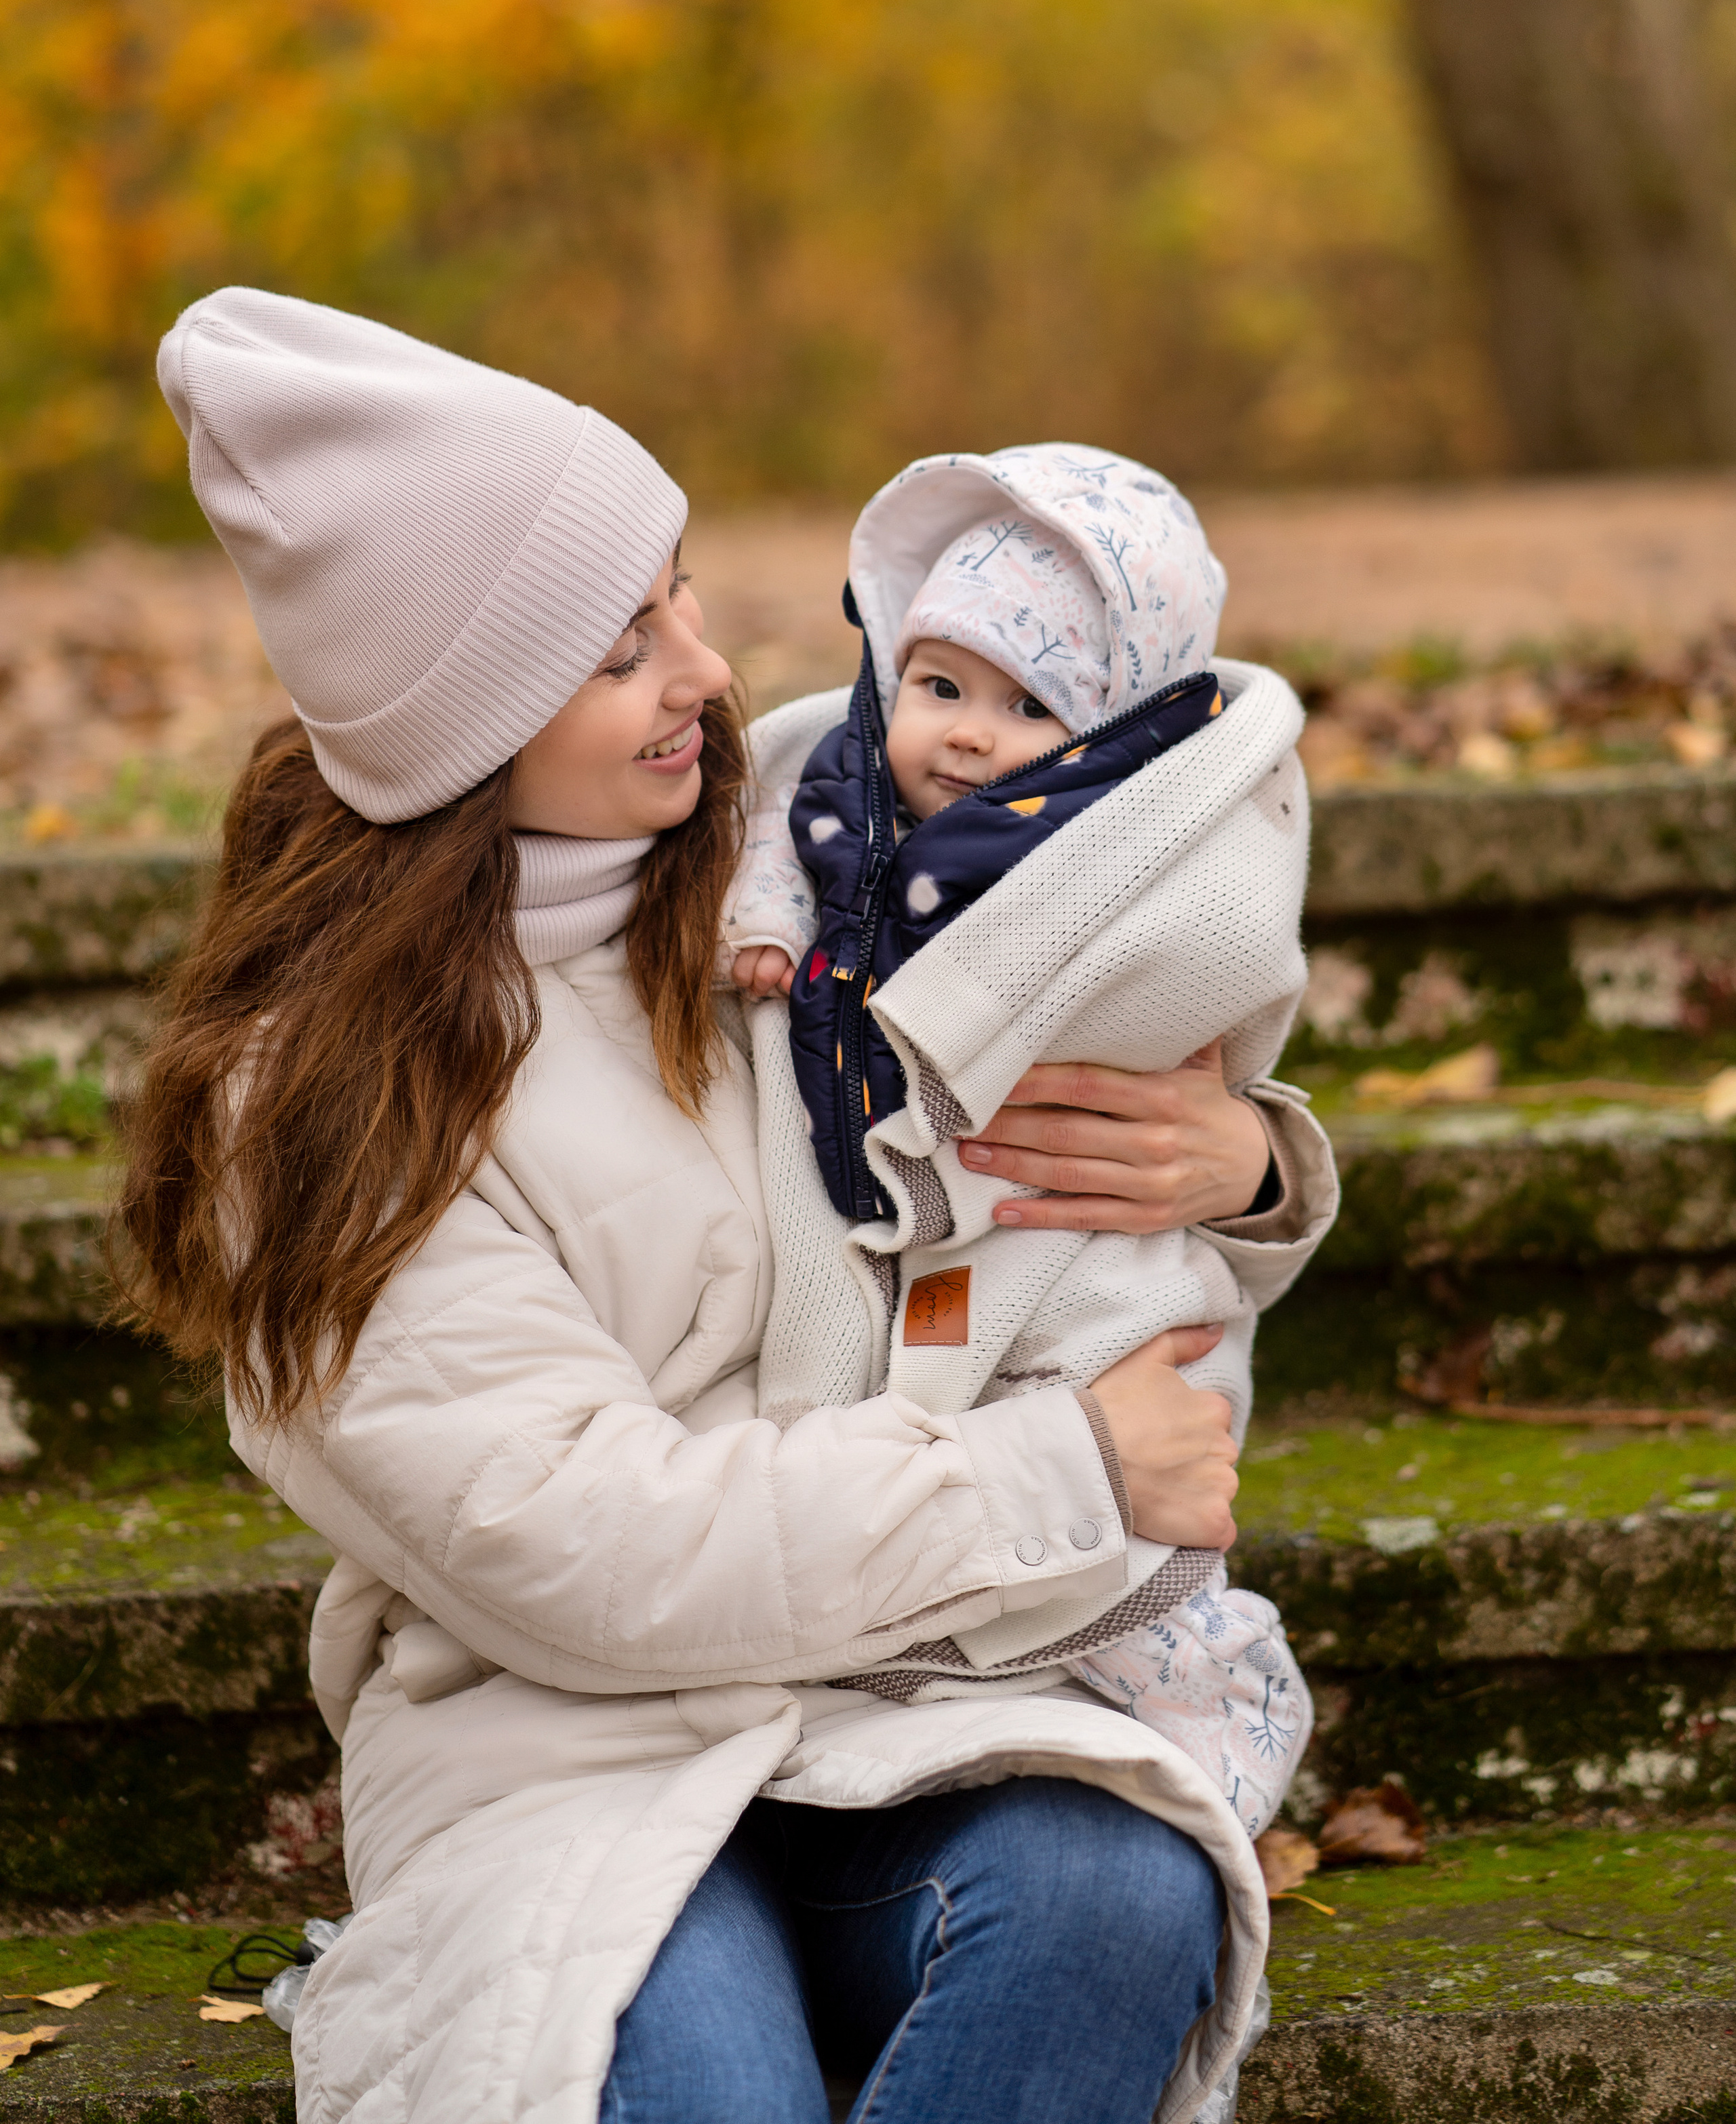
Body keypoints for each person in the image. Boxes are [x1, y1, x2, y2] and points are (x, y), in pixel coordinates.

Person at [118, 289, 1336, 2124]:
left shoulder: (796, 861)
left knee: (1116, 1897)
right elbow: (589, 1545)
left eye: (680, 597)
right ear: (472, 718)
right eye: (622, 648)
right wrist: (1063, 1476)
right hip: (571, 1747)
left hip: (911, 1704)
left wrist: (1242, 1165)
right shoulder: (316, 1102)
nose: (704, 669)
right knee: (705, 2090)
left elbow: (1058, 1162)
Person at [720, 446, 1334, 1832]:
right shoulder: (821, 791)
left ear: (1114, 734)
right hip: (841, 1288)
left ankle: (1171, 1676)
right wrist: (767, 928)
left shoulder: (1142, 838)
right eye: (938, 687)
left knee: (1104, 1410)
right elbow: (765, 842)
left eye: (1027, 708)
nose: (967, 737)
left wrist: (1250, 1162)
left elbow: (1202, 965)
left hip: (1056, 1245)